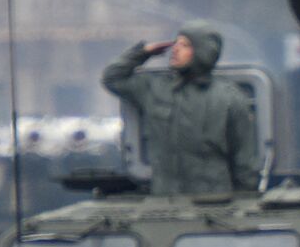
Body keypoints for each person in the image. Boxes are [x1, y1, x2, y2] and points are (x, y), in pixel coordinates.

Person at [102, 21, 260, 194]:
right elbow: (112, 78)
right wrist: (142, 53)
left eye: (184, 45)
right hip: (165, 200)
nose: (175, 49)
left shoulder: (230, 98)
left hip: (214, 202)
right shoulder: (154, 89)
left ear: (202, 52)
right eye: (175, 43)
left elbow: (244, 161)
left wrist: (244, 202)